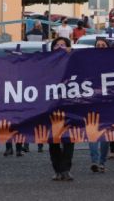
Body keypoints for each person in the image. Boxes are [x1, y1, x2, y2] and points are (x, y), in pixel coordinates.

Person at [49, 37, 75, 181]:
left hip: (68, 106)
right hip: (51, 107)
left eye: (63, 45)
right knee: (53, 139)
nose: (59, 47)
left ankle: (66, 169)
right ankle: (57, 169)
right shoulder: (45, 63)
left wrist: (72, 52)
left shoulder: (73, 60)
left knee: (69, 139)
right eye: (57, 45)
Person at [89, 39, 111, 172]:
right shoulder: (89, 61)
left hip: (108, 103)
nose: (101, 47)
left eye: (103, 45)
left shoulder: (113, 61)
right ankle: (95, 161)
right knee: (92, 132)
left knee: (105, 134)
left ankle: (102, 161)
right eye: (98, 45)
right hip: (92, 101)